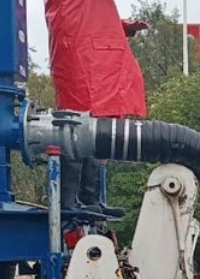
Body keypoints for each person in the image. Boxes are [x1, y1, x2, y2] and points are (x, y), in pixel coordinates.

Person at [45, 0, 149, 218]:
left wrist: (119, 26)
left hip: (97, 51)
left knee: (98, 123)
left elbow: (92, 16)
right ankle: (69, 200)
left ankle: (90, 198)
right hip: (79, 51)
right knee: (76, 123)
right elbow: (72, 15)